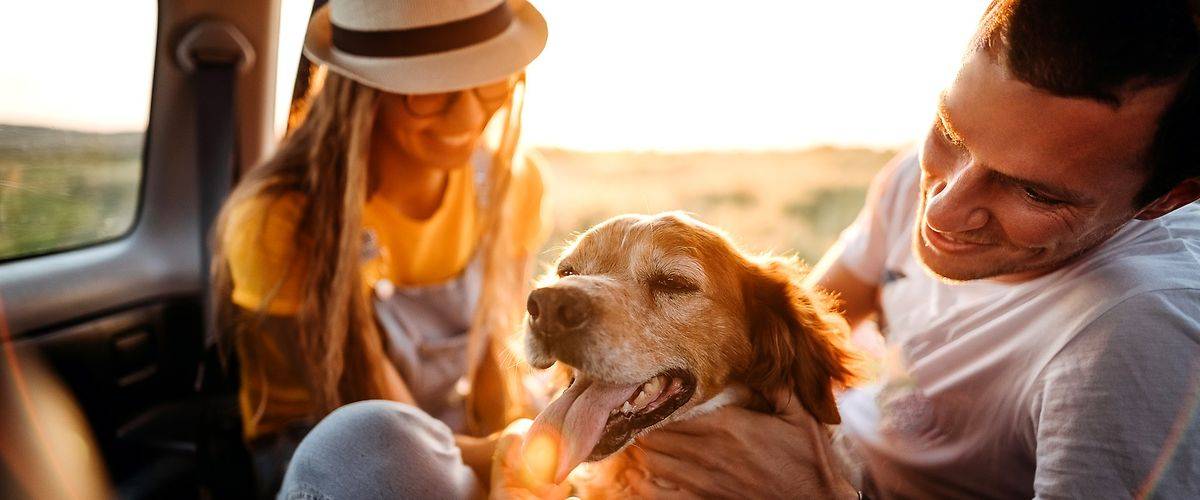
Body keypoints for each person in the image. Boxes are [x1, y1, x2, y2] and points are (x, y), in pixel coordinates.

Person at [627, 0, 1200, 498]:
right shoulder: (917, 178)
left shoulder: (1138, 332)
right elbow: (805, 329)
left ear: (1167, 198)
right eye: (950, 132)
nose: (943, 209)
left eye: (1034, 192)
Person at [209, 0, 550, 496]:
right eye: (430, 88)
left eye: (490, 78)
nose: (469, 113)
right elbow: (382, 420)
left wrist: (528, 436)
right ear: (363, 91)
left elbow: (501, 347)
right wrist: (506, 454)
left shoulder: (509, 183)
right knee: (396, 457)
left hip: (459, 433)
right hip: (343, 456)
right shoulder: (279, 220)